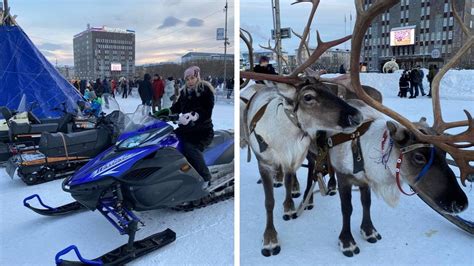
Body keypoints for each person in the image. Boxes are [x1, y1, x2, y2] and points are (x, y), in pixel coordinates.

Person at [154, 66, 215, 182]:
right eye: (187, 79)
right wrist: (164, 113)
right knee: (167, 141)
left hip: (202, 132)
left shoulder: (205, 91)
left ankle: (206, 177)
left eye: (192, 78)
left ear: (197, 77)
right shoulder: (184, 92)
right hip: (185, 130)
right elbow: (176, 107)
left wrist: (193, 116)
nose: (190, 81)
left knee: (189, 148)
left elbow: (206, 110)